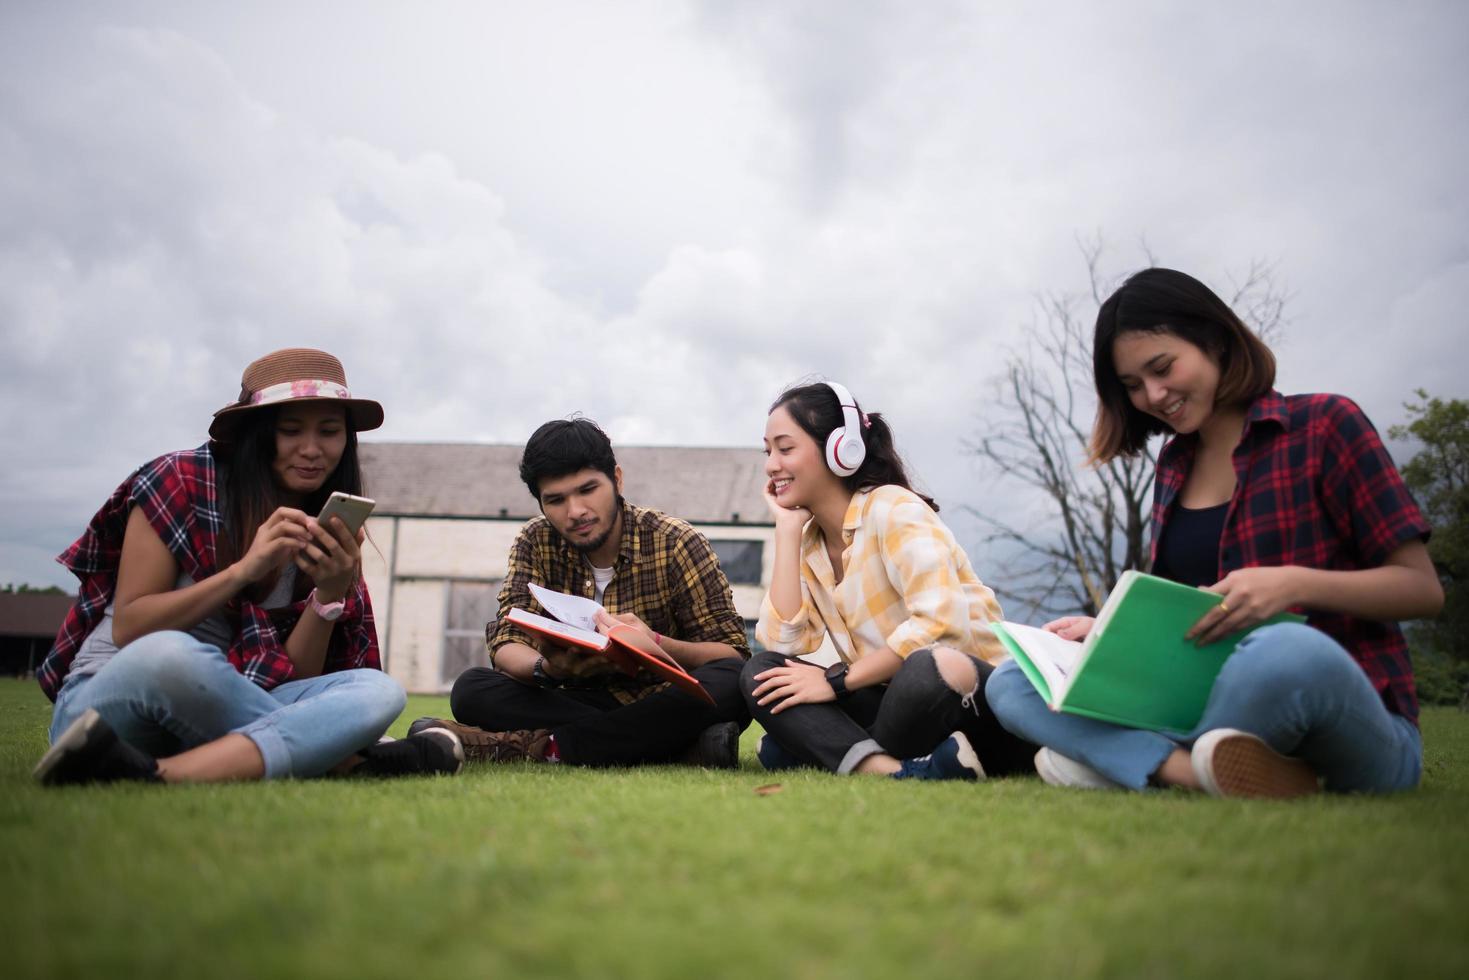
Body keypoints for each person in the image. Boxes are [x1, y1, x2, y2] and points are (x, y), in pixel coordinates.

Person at [986, 268, 1443, 797]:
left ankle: (1134, 764)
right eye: (1133, 386)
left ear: (1215, 339)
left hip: (1341, 718)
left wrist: (1293, 585)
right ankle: (1194, 772)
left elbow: (1422, 590)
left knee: (1283, 651)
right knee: (1013, 681)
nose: (1154, 395)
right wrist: (1109, 631)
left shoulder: (1326, 425)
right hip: (1203, 703)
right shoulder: (1174, 465)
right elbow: (1184, 610)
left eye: (1162, 368)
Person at [33, 348, 462, 785]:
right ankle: (348, 755)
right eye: (290, 431)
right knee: (171, 655)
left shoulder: (320, 520)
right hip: (108, 704)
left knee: (378, 691)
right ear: (257, 433)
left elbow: (290, 675)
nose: (312, 450)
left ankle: (157, 775)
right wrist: (244, 571)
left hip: (219, 717)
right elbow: (131, 627)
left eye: (329, 432)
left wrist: (329, 595)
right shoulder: (179, 479)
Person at [410, 417, 753, 767]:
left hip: (662, 698)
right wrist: (549, 669)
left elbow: (731, 653)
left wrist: (656, 642)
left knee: (733, 684)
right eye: (556, 500)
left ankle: (545, 747)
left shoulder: (676, 540)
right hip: (574, 698)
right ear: (541, 504)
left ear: (616, 480)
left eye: (588, 490)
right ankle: (677, 749)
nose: (576, 512)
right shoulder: (536, 541)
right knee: (472, 689)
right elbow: (507, 641)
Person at [742, 381, 1036, 780]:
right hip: (889, 697)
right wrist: (787, 530)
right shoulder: (810, 543)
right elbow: (781, 643)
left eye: (785, 448)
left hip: (970, 698)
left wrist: (838, 683)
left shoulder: (895, 509)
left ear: (839, 450)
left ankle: (821, 749)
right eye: (768, 451)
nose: (771, 464)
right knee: (762, 671)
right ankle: (896, 769)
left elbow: (940, 628)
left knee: (924, 669)